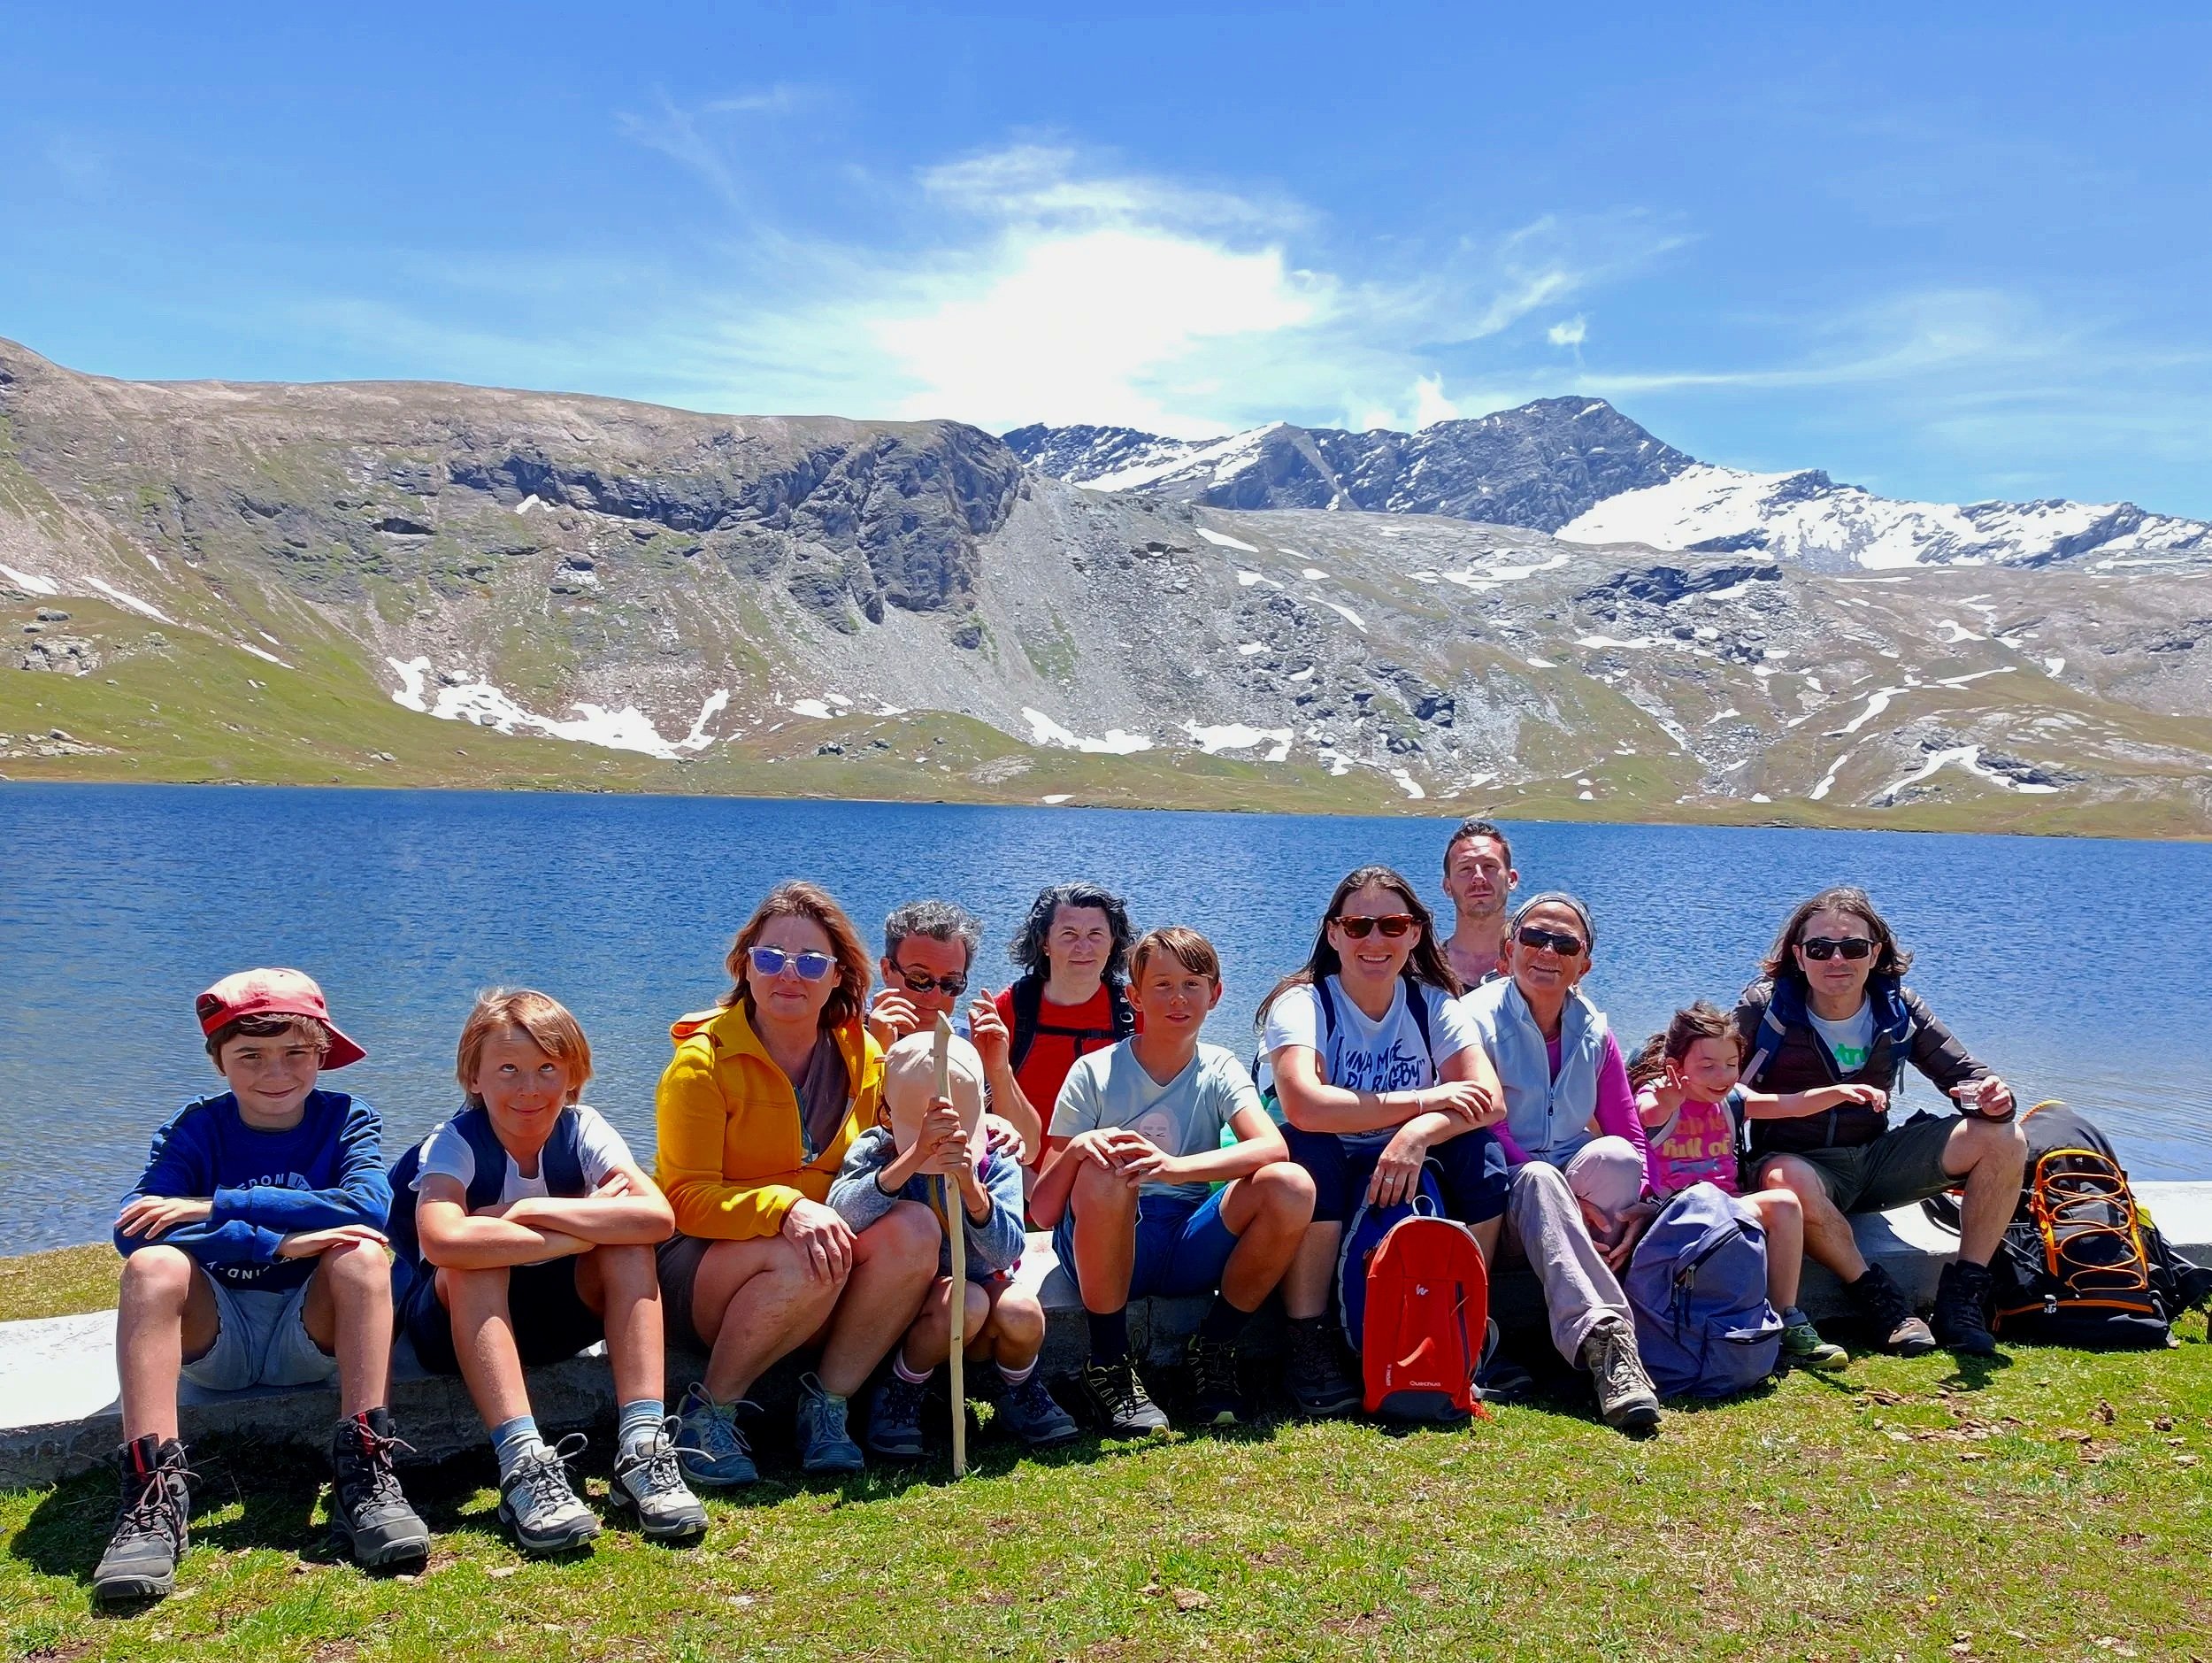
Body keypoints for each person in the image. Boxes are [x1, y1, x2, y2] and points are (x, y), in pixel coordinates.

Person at [96, 970, 429, 1603]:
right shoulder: (198, 1127)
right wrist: (268, 1242)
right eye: (250, 1054)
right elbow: (133, 1229)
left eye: (295, 1053)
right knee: (151, 1268)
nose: (274, 1070)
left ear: (322, 1054)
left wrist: (216, 1204)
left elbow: (368, 1206)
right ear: (219, 1060)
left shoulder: (346, 1118)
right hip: (215, 1337)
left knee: (361, 1253)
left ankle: (367, 1470)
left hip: (312, 1332)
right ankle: (151, 1494)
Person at [397, 989, 703, 1553]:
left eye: (546, 1068)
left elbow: (657, 1219)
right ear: (474, 1077)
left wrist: (533, 1212)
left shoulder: (584, 1127)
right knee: (475, 1262)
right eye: (507, 1069)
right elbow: (441, 1238)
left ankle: (643, 1449)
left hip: (558, 1316)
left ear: (572, 1074)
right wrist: (587, 1225)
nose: (528, 1088)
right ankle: (523, 1465)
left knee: (629, 1250)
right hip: (455, 1325)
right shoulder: (454, 1142)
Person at [656, 881, 941, 1483]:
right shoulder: (700, 1064)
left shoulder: (863, 1053)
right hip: (706, 1264)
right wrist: (785, 1207)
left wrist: (986, 1131)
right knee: (805, 1251)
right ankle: (706, 1412)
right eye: (770, 958)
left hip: (818, 1251)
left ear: (838, 976)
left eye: (811, 961)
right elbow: (683, 1199)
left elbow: (887, 1145)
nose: (791, 974)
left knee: (915, 1228)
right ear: (744, 967)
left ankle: (827, 1406)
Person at [1034, 927, 1317, 1434]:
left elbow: (1272, 1148)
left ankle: (1213, 1350)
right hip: (1107, 1246)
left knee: (1290, 1184)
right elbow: (1042, 1212)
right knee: (1105, 1171)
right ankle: (1109, 1363)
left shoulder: (1219, 1066)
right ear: (1135, 996)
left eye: (1192, 983)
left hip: (1186, 1241)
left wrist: (1172, 1168)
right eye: (1161, 985)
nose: (1178, 998)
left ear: (1216, 993)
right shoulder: (1093, 1072)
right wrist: (1080, 1149)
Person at [1258, 868, 1509, 1420]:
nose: (1375, 941)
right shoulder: (1304, 1003)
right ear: (1332, 933)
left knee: (1483, 1156)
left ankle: (1465, 1318)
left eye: (1392, 925)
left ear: (1416, 934)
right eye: (1358, 925)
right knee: (1309, 1147)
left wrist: (1417, 1134)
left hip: (1403, 1157)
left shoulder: (1432, 1004)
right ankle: (1309, 1343)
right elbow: (1306, 1105)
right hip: (1327, 1154)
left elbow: (1489, 1099)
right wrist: (1423, 1103)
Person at [1733, 886, 2028, 1357]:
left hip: (1876, 1158)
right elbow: (1720, 1089)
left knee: (2004, 1138)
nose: (1837, 959)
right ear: (1798, 955)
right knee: (1787, 1180)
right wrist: (1801, 1102)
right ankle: (1880, 1301)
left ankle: (1963, 1298)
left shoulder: (1901, 1009)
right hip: (1797, 1163)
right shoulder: (1765, 1009)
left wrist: (1994, 1098)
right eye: (1820, 948)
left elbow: (1966, 1074)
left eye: (1853, 947)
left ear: (1875, 954)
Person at [1456, 893, 1664, 1434]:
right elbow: (1488, 1124)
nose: (1547, 951)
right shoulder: (1471, 1020)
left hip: (1568, 1205)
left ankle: (1593, 1319)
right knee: (1540, 1178)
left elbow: (1629, 1131)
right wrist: (1562, 1198)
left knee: (1616, 1160)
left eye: (1565, 943)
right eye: (1534, 937)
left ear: (1584, 964)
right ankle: (1608, 1344)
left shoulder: (1595, 1030)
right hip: (1494, 1206)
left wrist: (1645, 1199)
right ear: (1508, 950)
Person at [826, 1031, 1079, 1455]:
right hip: (909, 1299)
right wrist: (909, 1161)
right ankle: (902, 1389)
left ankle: (1018, 1391)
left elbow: (1009, 1251)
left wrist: (973, 1191)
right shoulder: (876, 1148)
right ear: (886, 1111)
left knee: (1020, 1311)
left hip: (981, 1282)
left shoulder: (993, 1155)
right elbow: (844, 1214)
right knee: (967, 1302)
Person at [1629, 1002, 1855, 1371]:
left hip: (1728, 1208)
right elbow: (1649, 1115)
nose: (1722, 1076)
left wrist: (1840, 1092)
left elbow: (1790, 1104)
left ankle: (1787, 1320)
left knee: (1784, 1203)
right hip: (1672, 1214)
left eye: (1731, 1064)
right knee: (1780, 1202)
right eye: (1707, 1066)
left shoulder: (1732, 1100)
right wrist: (1671, 1099)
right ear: (1675, 1066)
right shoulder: (1655, 1095)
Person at [865, 898, 1042, 1159]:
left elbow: (1028, 1151)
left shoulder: (965, 1046)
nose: (934, 996)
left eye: (951, 983)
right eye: (919, 979)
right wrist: (877, 1054)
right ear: (887, 970)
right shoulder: (851, 1037)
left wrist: (998, 1070)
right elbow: (852, 1144)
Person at [993, 882, 1138, 1166]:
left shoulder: (1135, 1012)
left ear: (1113, 943)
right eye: (1069, 934)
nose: (1083, 947)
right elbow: (980, 1113)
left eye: (1096, 934)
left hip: (1107, 1187)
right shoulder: (1010, 1009)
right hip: (1021, 1181)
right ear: (1044, 943)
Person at [1441, 818, 1520, 988]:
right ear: (1447, 886)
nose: (1478, 878)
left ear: (1511, 879)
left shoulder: (1534, 966)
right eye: (1465, 868)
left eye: (1489, 866)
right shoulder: (1426, 968)